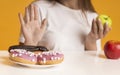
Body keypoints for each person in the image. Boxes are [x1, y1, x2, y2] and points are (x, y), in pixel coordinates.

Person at [19, 0, 111, 51]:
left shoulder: (93, 17)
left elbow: (93, 64)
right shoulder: (38, 8)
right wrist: (30, 44)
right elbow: (22, 64)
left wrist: (91, 40)